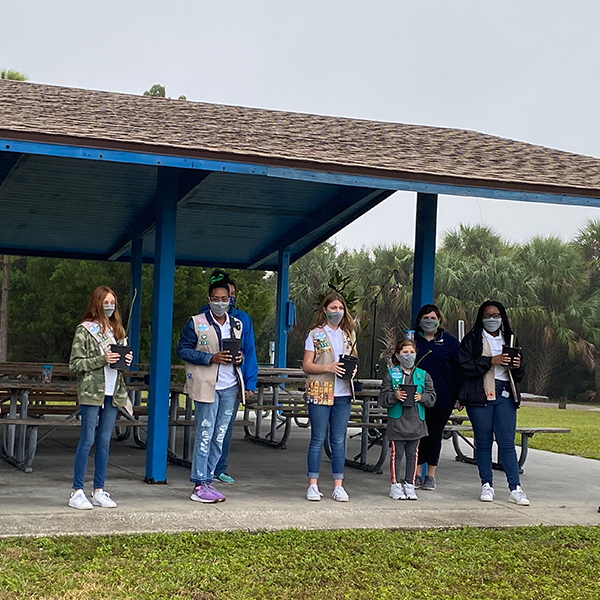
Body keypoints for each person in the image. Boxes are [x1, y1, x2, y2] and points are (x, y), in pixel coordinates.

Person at [177, 278, 246, 503]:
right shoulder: (196, 322)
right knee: (205, 433)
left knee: (220, 435)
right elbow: (183, 350)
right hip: (207, 385)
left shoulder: (237, 324)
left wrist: (240, 358)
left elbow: (242, 350)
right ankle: (198, 483)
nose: (220, 303)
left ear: (230, 300)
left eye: (224, 299)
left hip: (229, 385)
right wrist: (210, 357)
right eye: (215, 299)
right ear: (209, 300)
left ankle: (209, 478)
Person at [458, 300, 530, 506]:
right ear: (481, 318)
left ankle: (515, 488)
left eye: (496, 315)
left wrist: (516, 366)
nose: (492, 319)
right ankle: (486, 484)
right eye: (487, 316)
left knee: (507, 442)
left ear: (502, 317)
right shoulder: (472, 339)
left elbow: (521, 374)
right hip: (480, 395)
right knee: (483, 442)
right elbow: (465, 367)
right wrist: (490, 361)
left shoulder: (510, 338)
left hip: (505, 393)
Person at [68, 286, 133, 510]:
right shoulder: (84, 330)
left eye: (113, 302)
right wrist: (102, 358)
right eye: (106, 302)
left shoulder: (118, 331)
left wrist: (125, 359)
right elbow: (75, 364)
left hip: (113, 392)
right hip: (91, 392)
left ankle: (98, 490)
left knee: (104, 441)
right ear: (97, 303)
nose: (110, 306)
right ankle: (77, 491)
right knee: (87, 439)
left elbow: (120, 365)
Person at [200, 270, 258, 485]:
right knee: (207, 427)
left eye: (230, 296)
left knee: (225, 427)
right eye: (221, 297)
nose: (225, 300)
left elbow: (250, 351)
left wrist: (250, 382)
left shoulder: (242, 320)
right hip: (209, 381)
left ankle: (219, 468)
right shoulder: (202, 317)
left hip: (233, 381)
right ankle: (203, 470)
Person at [303, 292, 357, 502]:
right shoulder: (315, 334)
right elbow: (307, 365)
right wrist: (328, 367)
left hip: (343, 392)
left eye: (340, 308)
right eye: (333, 308)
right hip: (320, 390)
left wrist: (352, 371)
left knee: (338, 440)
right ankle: (313, 484)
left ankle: (338, 485)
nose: (337, 312)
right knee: (317, 438)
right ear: (324, 310)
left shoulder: (348, 335)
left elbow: (352, 360)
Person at [379, 339, 436, 500]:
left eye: (411, 352)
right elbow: (382, 399)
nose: (408, 356)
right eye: (405, 352)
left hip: (416, 421)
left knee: (413, 454)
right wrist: (394, 395)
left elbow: (432, 397)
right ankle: (395, 485)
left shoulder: (423, 375)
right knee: (397, 454)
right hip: (397, 421)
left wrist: (421, 397)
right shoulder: (391, 374)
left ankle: (410, 484)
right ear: (398, 355)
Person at [412, 304, 462, 491]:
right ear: (419, 320)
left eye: (433, 317)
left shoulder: (449, 342)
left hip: (442, 398)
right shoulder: (412, 340)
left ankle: (430, 475)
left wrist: (459, 396)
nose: (429, 321)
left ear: (439, 320)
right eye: (426, 317)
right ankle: (415, 474)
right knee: (416, 435)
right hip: (415, 397)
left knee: (434, 436)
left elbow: (458, 371)